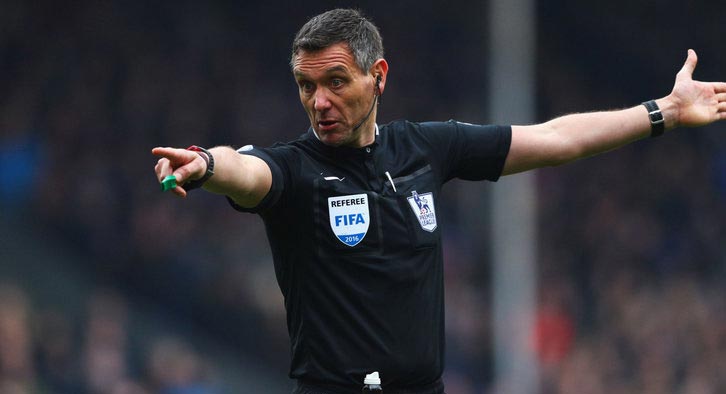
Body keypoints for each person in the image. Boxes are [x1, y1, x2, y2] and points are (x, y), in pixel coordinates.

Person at [152, 8, 726, 394]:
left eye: (336, 82)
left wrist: (665, 113)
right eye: (307, 86)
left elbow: (555, 139)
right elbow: (244, 170)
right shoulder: (295, 170)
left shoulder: (427, 148)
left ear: (377, 76)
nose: (319, 101)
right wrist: (204, 165)